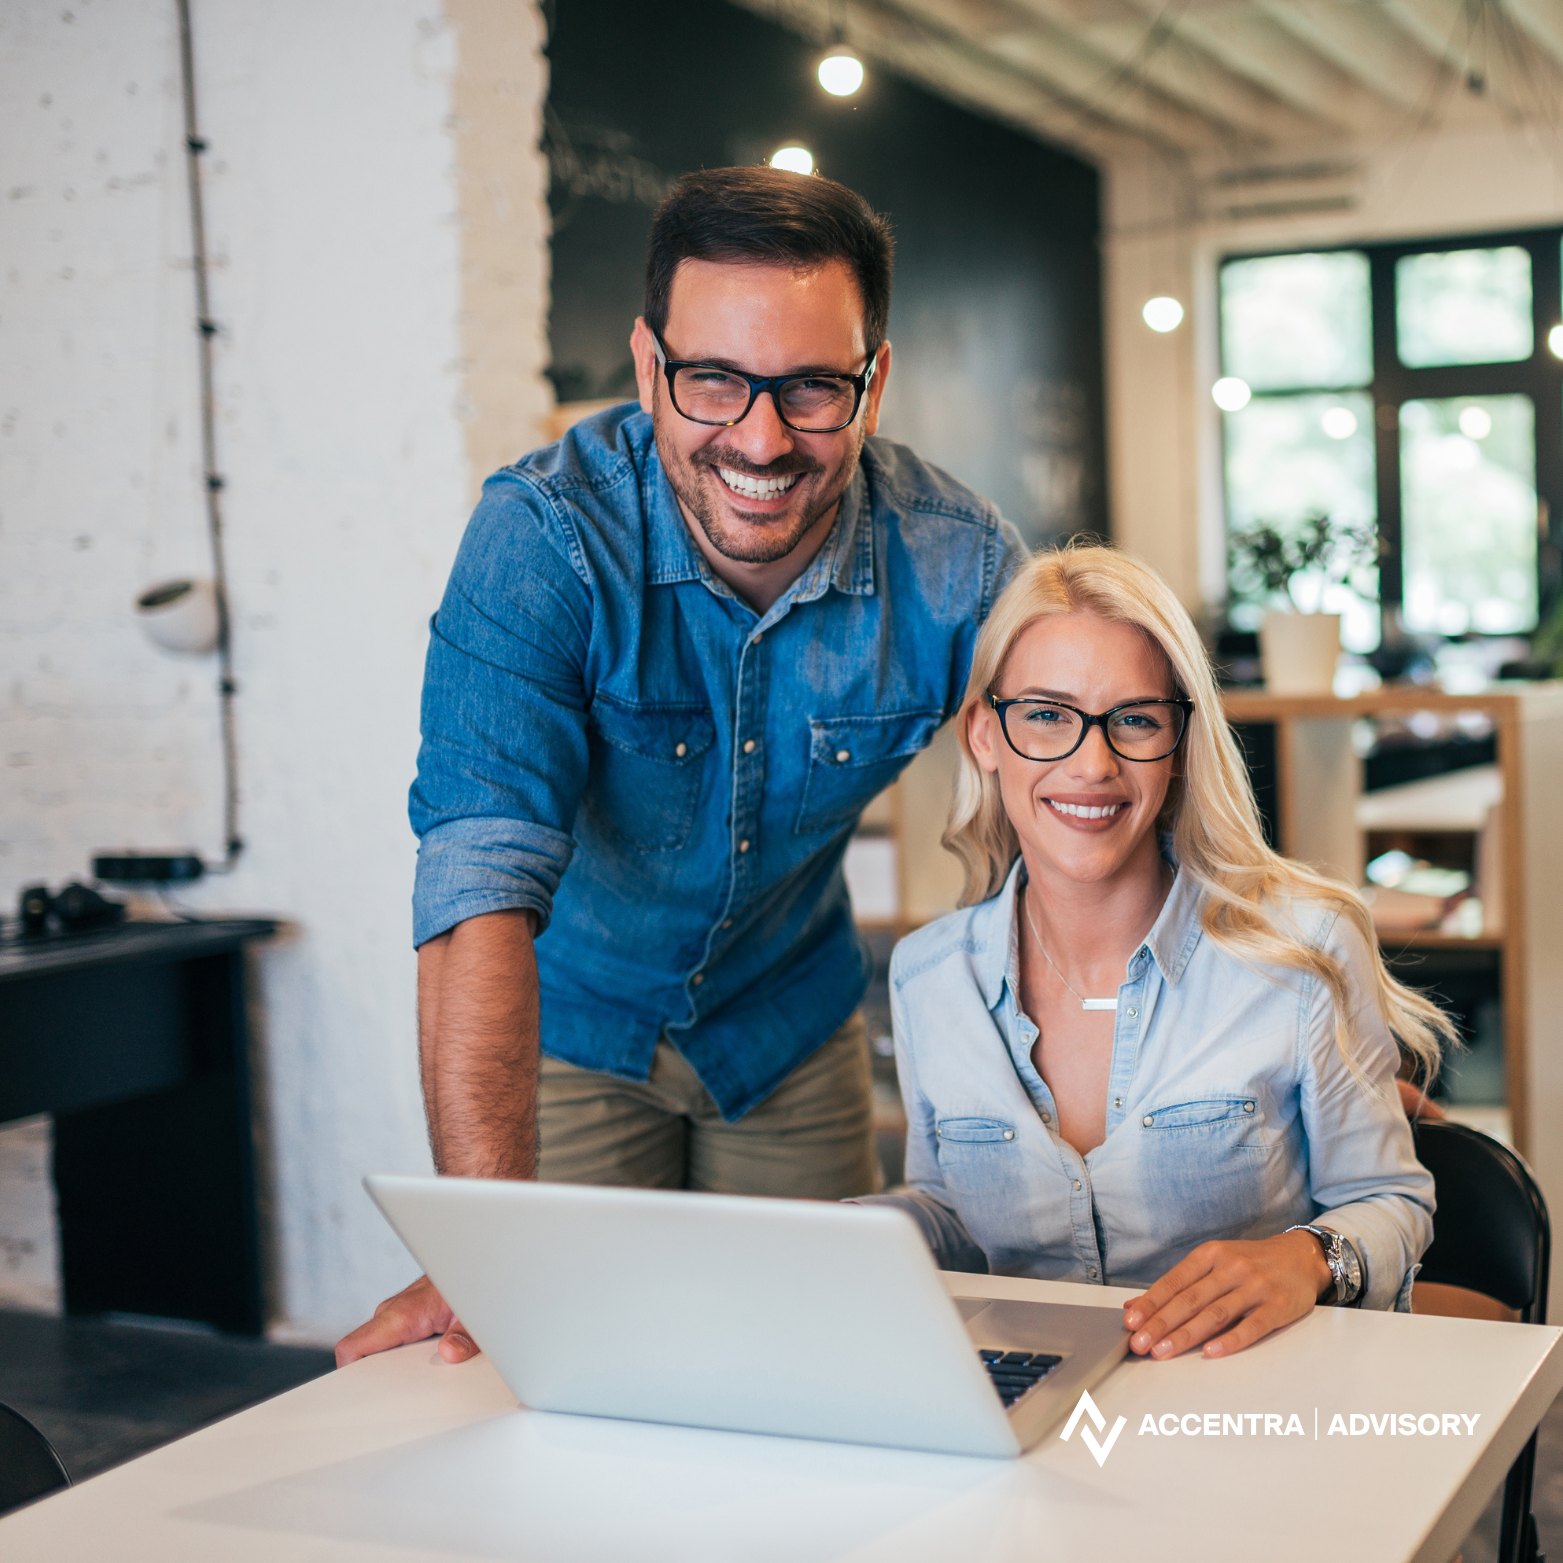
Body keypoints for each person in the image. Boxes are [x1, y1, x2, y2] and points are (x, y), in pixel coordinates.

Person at [336, 168, 1025, 1366]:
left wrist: (1297, 1028)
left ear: (874, 380)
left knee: (819, 1377)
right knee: (562, 1377)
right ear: (650, 366)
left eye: (813, 388)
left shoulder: (957, 566)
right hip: (568, 1030)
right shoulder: (543, 540)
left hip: (788, 1027)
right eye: (714, 380)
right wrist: (485, 1245)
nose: (761, 440)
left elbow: (1107, 799)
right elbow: (475, 883)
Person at [864, 544, 1453, 1360]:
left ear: (1177, 743)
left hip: (1244, 1413)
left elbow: (1390, 1198)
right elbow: (954, 1219)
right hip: (1029, 1412)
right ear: (983, 735)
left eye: (1134, 719)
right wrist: (855, 1229)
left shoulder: (1302, 950)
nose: (1092, 763)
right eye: (1045, 714)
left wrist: (1305, 1258)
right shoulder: (928, 976)